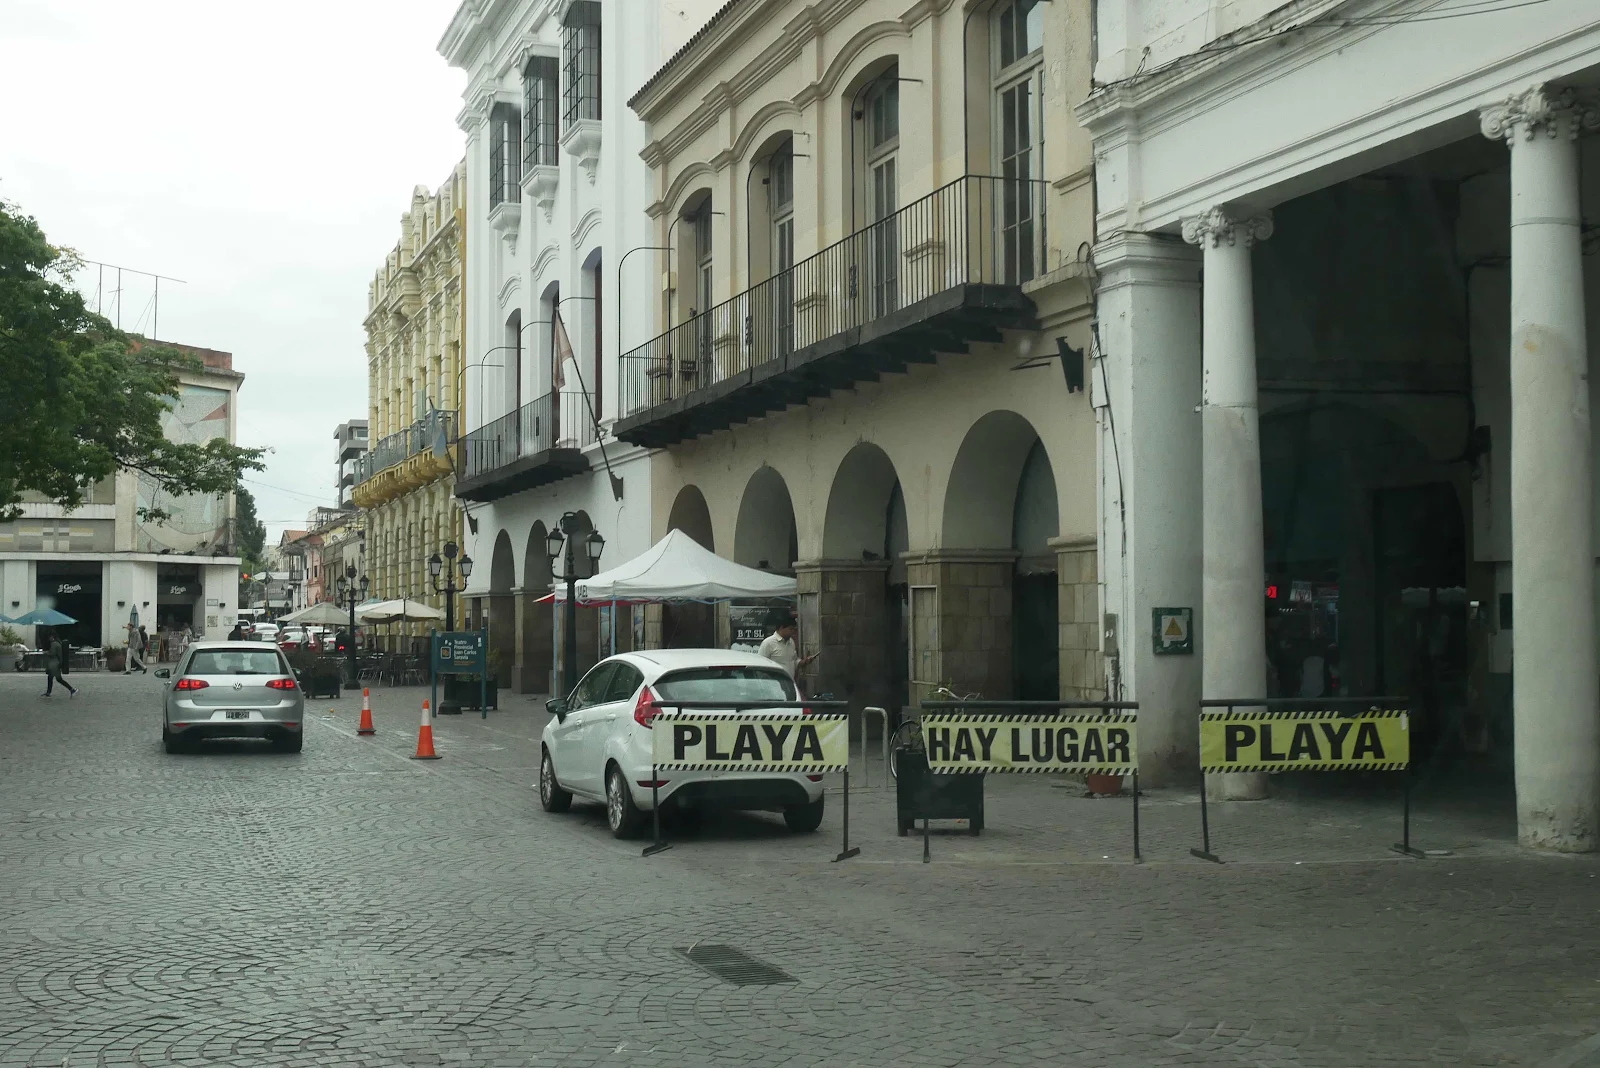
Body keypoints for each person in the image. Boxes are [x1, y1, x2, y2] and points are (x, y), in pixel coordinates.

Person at [757, 614, 816, 681]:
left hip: (789, 682)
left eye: (794, 629)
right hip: (775, 683)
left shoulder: (791, 642)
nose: (793, 632)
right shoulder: (768, 643)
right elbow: (760, 665)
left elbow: (794, 661)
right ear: (781, 628)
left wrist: (805, 662)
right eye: (790, 629)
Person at [40, 628, 77, 698]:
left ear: (52, 637)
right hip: (57, 663)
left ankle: (72, 689)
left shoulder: (53, 644)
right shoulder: (58, 643)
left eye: (49, 637)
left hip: (54, 664)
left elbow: (52, 653)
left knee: (58, 679)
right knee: (52, 678)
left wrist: (46, 652)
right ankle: (48, 692)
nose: (48, 639)